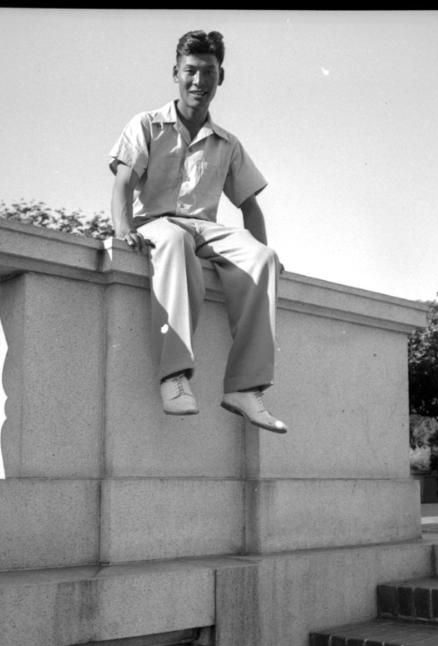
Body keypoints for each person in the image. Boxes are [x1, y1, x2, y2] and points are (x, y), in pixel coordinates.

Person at [109, 29, 287, 434]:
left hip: (204, 228)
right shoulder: (146, 125)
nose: (199, 81)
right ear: (176, 72)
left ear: (220, 78)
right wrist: (122, 229)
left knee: (264, 258)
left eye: (209, 71)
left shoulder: (226, 143)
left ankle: (244, 388)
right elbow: (122, 182)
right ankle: (174, 376)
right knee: (173, 240)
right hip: (156, 223)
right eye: (191, 70)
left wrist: (263, 252)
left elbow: (249, 205)